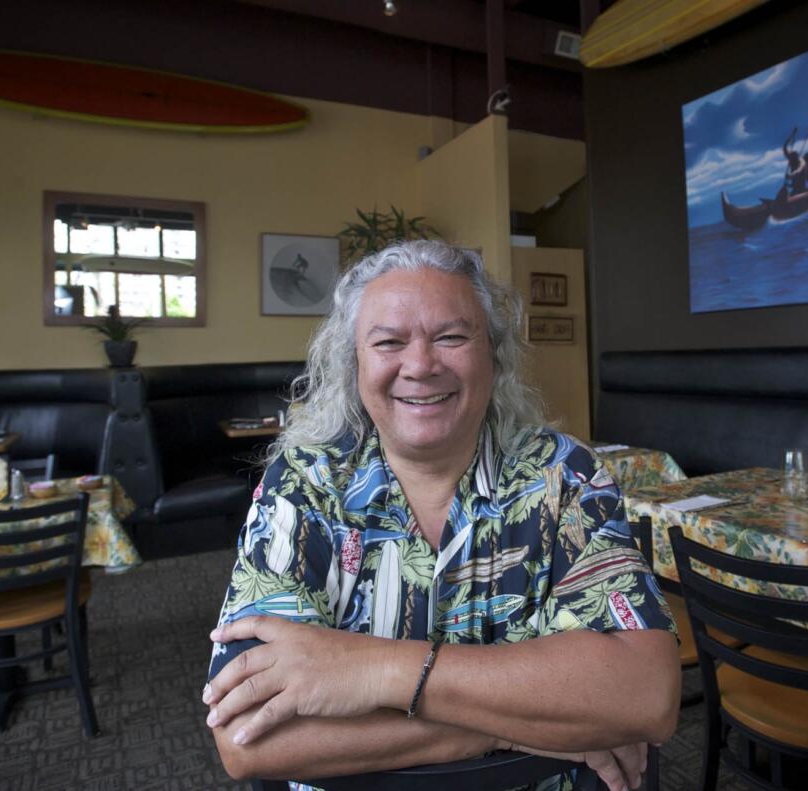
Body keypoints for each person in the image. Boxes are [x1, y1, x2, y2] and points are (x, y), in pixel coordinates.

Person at [203, 240, 681, 790]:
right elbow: (245, 737)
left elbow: (644, 694)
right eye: (388, 342)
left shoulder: (562, 475)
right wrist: (517, 727)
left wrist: (372, 670)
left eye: (451, 336)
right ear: (353, 366)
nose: (421, 365)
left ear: (493, 357)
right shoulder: (303, 484)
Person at [781, 126, 808, 197]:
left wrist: (790, 175)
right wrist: (792, 134)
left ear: (796, 157)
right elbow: (784, 147)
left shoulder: (801, 161)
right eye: (790, 158)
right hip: (795, 189)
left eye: (792, 158)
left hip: (802, 189)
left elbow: (799, 170)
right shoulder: (791, 160)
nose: (790, 160)